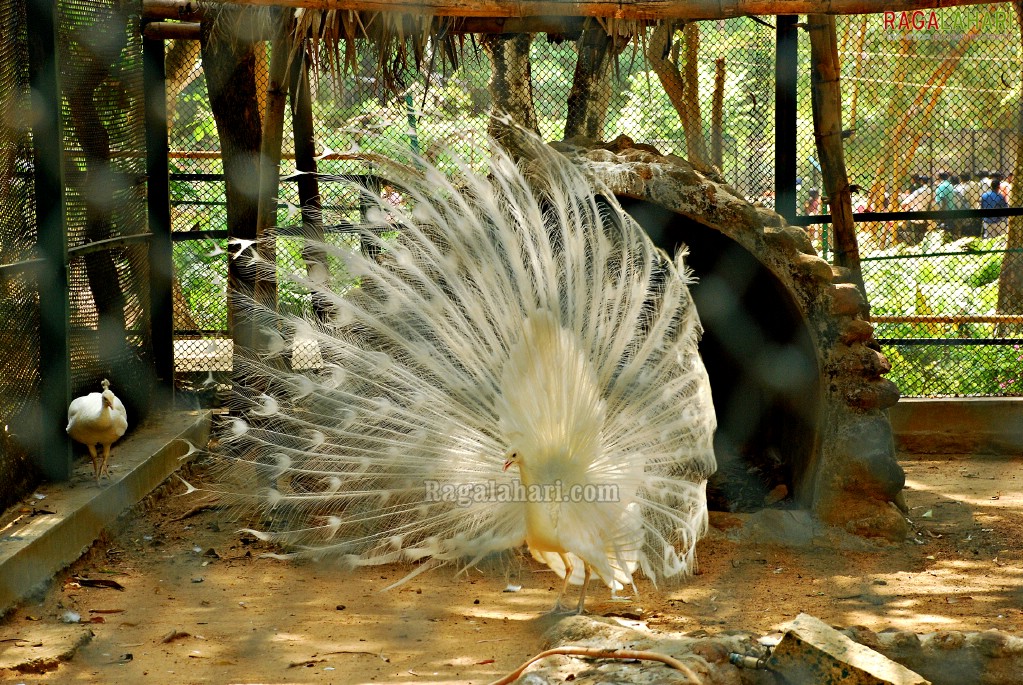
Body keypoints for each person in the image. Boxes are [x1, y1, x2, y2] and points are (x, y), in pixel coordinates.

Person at [900, 175, 932, 243]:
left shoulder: (918, 191)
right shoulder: (930, 191)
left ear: (921, 181)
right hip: (924, 218)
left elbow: (904, 203)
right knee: (922, 238)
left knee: (907, 232)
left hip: (914, 218)